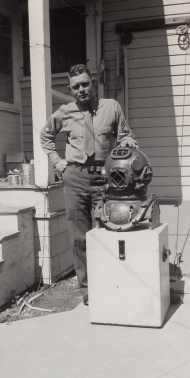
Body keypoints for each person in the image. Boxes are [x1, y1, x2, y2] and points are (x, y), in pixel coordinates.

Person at [40, 64, 138, 305]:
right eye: (76, 87)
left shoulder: (111, 107)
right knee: (79, 238)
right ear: (70, 89)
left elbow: (125, 135)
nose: (82, 90)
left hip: (106, 178)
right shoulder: (64, 112)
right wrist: (58, 162)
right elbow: (45, 136)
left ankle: (116, 282)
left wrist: (127, 147)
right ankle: (88, 290)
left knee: (114, 230)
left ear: (93, 82)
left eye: (85, 84)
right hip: (75, 178)